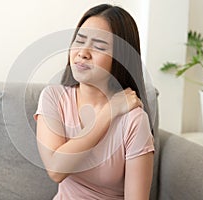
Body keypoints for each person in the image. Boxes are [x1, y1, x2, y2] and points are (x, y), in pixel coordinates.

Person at [34, 4, 155, 200]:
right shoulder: (53, 97)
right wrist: (109, 112)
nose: (83, 53)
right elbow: (56, 169)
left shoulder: (134, 120)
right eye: (79, 41)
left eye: (98, 46)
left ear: (120, 58)